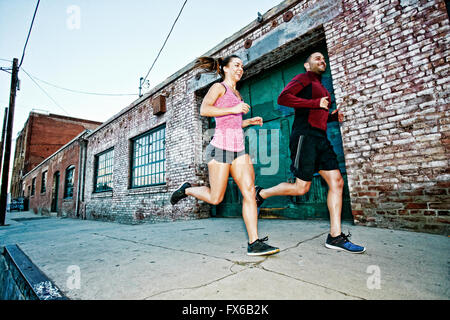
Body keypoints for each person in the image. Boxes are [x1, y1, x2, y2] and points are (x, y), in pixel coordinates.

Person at [255, 52, 366, 254]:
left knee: (337, 182)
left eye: (323, 59)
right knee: (301, 188)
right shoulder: (304, 78)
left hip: (321, 138)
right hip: (304, 138)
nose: (321, 61)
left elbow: (317, 115)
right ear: (307, 65)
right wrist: (316, 103)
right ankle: (261, 193)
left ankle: (335, 236)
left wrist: (332, 117)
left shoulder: (322, 87)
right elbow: (284, 97)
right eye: (317, 58)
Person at [170, 54, 280, 256]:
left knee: (249, 192)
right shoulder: (219, 88)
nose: (240, 69)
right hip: (219, 148)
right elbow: (205, 109)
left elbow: (230, 121)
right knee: (215, 197)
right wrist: (234, 108)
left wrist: (247, 121)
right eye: (236, 65)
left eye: (242, 66)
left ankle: (254, 242)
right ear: (226, 68)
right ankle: (186, 190)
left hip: (238, 150)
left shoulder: (237, 94)